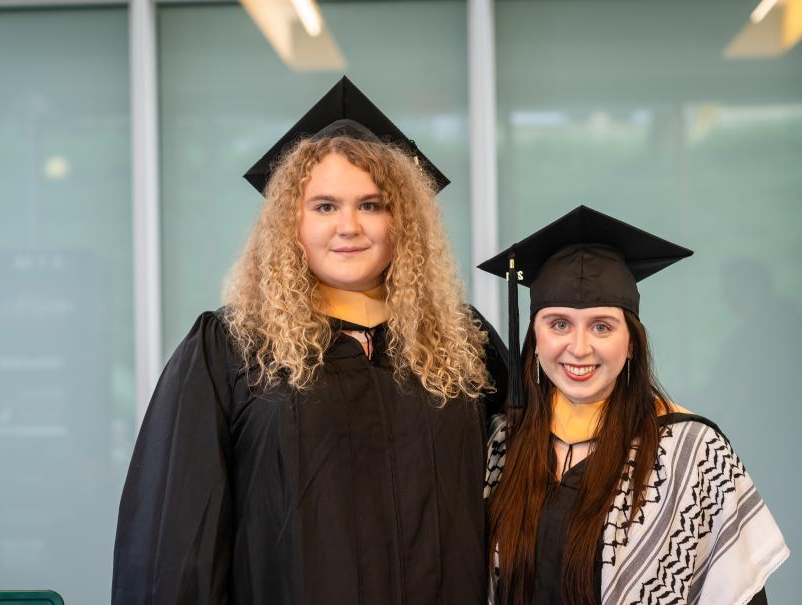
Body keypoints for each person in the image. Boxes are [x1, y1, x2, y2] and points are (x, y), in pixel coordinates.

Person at [112, 77, 507, 604]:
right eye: (324, 206)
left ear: (403, 222)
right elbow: (180, 538)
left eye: (372, 204)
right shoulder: (232, 348)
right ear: (290, 222)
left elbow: (527, 482)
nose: (349, 226)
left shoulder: (462, 342)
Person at [479, 206, 788, 605]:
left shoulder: (689, 452)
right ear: (535, 339)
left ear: (631, 344)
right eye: (559, 324)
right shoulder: (503, 445)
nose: (578, 347)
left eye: (602, 326)